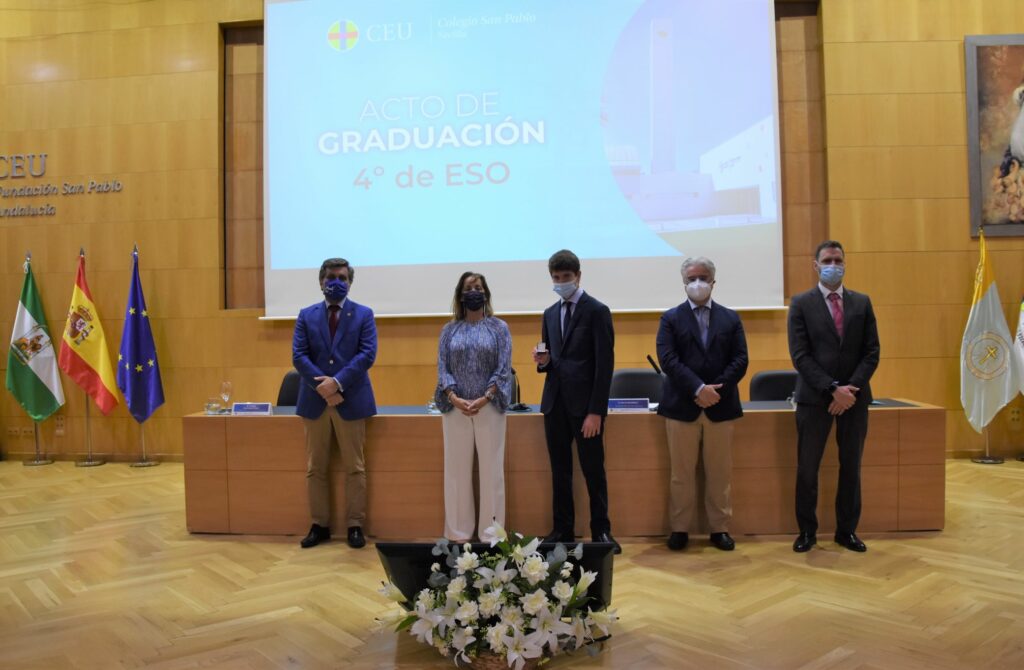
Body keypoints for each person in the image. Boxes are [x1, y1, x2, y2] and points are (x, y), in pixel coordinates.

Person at [788, 241, 880, 553]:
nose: (833, 264)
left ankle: (846, 531)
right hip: (815, 399)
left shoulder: (862, 303)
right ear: (815, 265)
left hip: (854, 400)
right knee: (807, 468)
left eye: (838, 259)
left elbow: (872, 352)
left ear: (845, 263)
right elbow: (800, 356)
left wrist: (850, 389)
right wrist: (831, 389)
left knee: (851, 466)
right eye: (827, 259)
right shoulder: (800, 303)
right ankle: (807, 533)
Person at [656, 257, 748, 551]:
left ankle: (719, 529)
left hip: (721, 407)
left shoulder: (731, 318)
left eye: (703, 277)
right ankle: (680, 528)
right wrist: (697, 388)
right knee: (680, 475)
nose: (698, 283)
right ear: (684, 283)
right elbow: (668, 359)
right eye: (692, 278)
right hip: (682, 407)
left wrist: (714, 389)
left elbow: (740, 359)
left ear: (713, 281)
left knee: (720, 474)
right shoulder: (670, 318)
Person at [532, 249, 620, 554]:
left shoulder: (597, 311)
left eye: (566, 277)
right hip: (555, 404)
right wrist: (542, 362)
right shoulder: (549, 313)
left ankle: (601, 531)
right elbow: (551, 361)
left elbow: (604, 365)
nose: (560, 283)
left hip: (586, 410)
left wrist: (596, 411)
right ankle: (562, 529)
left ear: (578, 276)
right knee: (560, 471)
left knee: (593, 470)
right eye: (556, 278)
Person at [292, 258, 378, 549]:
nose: (336, 282)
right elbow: (299, 356)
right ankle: (320, 524)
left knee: (355, 467)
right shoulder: (306, 315)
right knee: (315, 467)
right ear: (321, 281)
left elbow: (366, 355)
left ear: (350, 282)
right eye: (331, 277)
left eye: (342, 277)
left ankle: (355, 525)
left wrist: (337, 383)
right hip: (315, 402)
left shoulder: (364, 315)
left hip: (351, 400)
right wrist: (325, 388)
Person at [435, 272, 513, 543]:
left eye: (478, 287)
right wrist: (453, 396)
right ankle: (458, 533)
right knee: (456, 471)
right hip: (455, 407)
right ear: (460, 295)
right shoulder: (449, 330)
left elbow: (503, 369)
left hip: (489, 407)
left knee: (492, 471)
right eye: (469, 288)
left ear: (486, 293)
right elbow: (442, 367)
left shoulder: (499, 328)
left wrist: (487, 396)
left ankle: (492, 534)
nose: (474, 292)